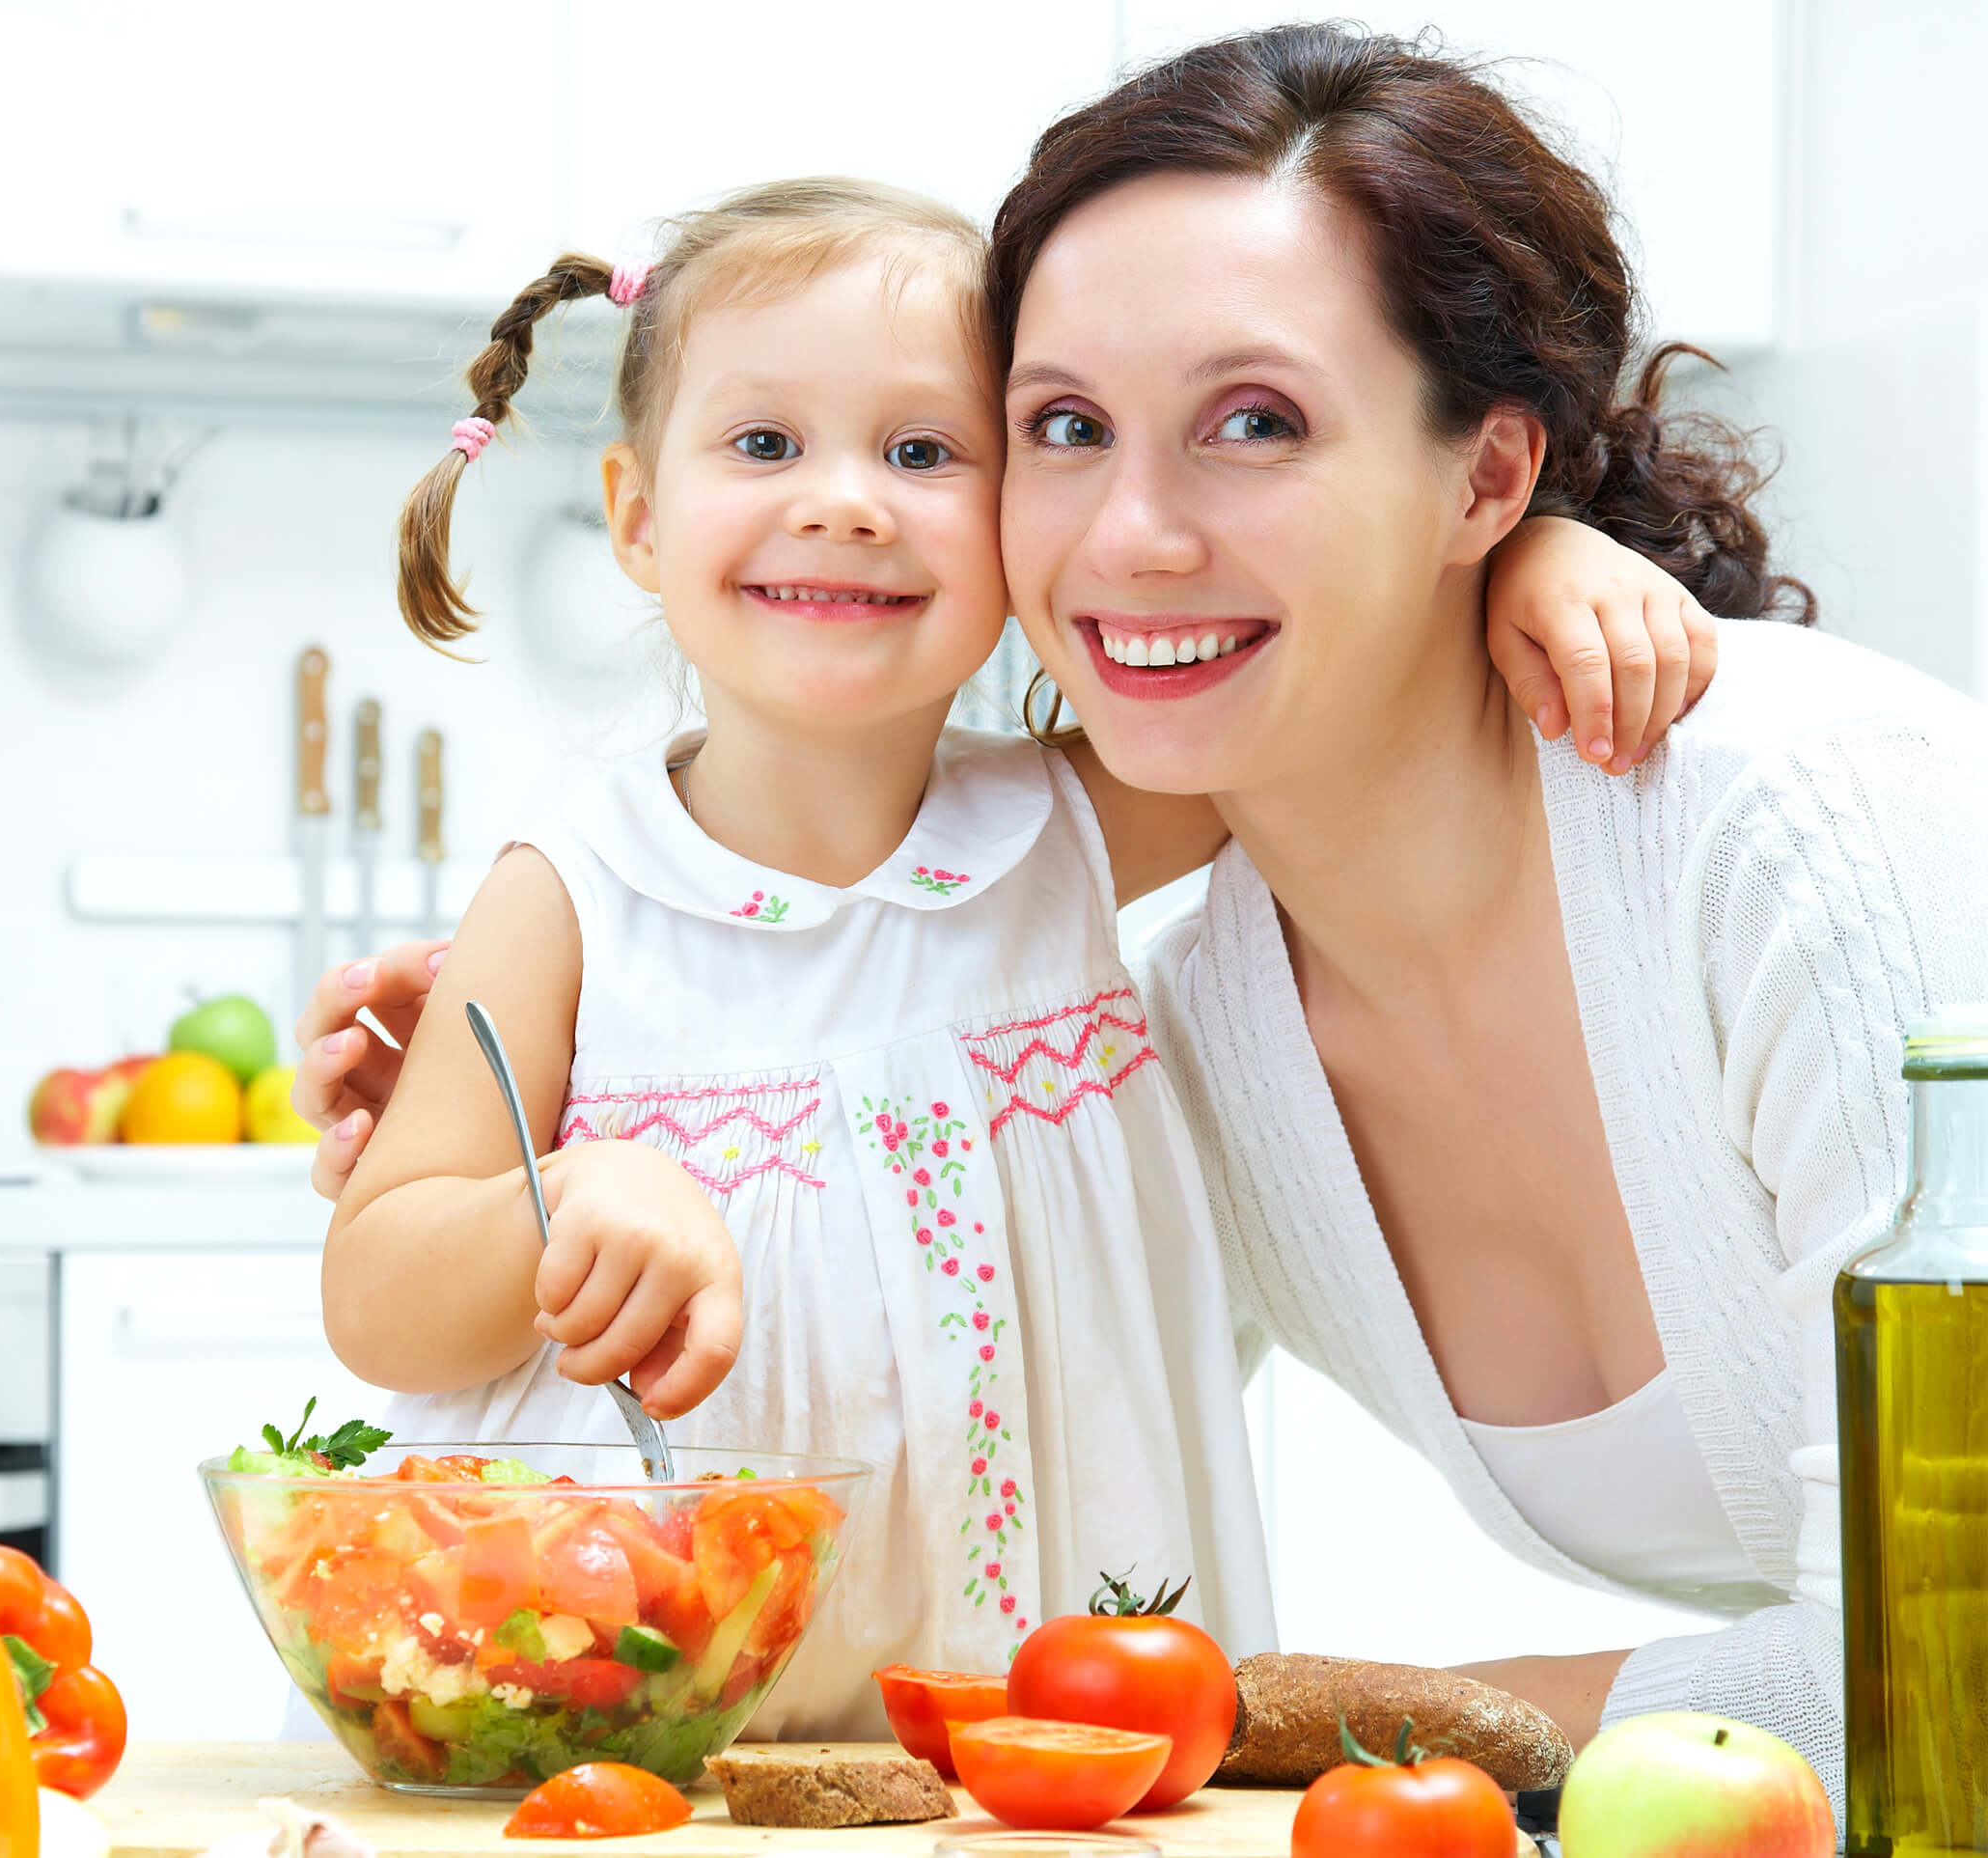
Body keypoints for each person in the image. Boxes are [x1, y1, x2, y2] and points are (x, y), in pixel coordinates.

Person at [320, 171, 1714, 1742]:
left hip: (1049, 1726)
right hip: (645, 1717)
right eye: (765, 443)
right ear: (640, 515)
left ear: (1007, 521)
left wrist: (1534, 566)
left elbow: (1352, 673)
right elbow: (375, 1293)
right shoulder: (574, 891)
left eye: (923, 452)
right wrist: (563, 1201)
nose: (845, 499)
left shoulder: (1076, 826)